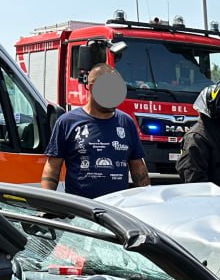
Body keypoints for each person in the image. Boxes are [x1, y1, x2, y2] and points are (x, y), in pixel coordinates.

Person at [42, 63, 149, 197]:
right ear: (92, 88)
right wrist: (45, 202)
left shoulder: (126, 123)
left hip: (115, 207)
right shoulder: (67, 122)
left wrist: (147, 197)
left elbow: (138, 167)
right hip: (80, 207)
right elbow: (52, 167)